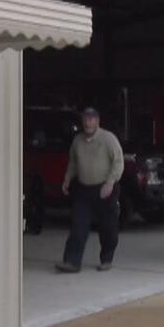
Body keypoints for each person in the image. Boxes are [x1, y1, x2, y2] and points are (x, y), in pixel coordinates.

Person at [57, 107, 124, 273]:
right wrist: (67, 179)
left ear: (98, 121)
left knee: (108, 228)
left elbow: (118, 162)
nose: (88, 122)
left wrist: (109, 183)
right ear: (82, 121)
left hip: (105, 189)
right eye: (86, 119)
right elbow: (73, 163)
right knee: (78, 226)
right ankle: (72, 262)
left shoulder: (109, 139)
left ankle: (106, 259)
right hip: (83, 190)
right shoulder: (77, 141)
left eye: (92, 119)